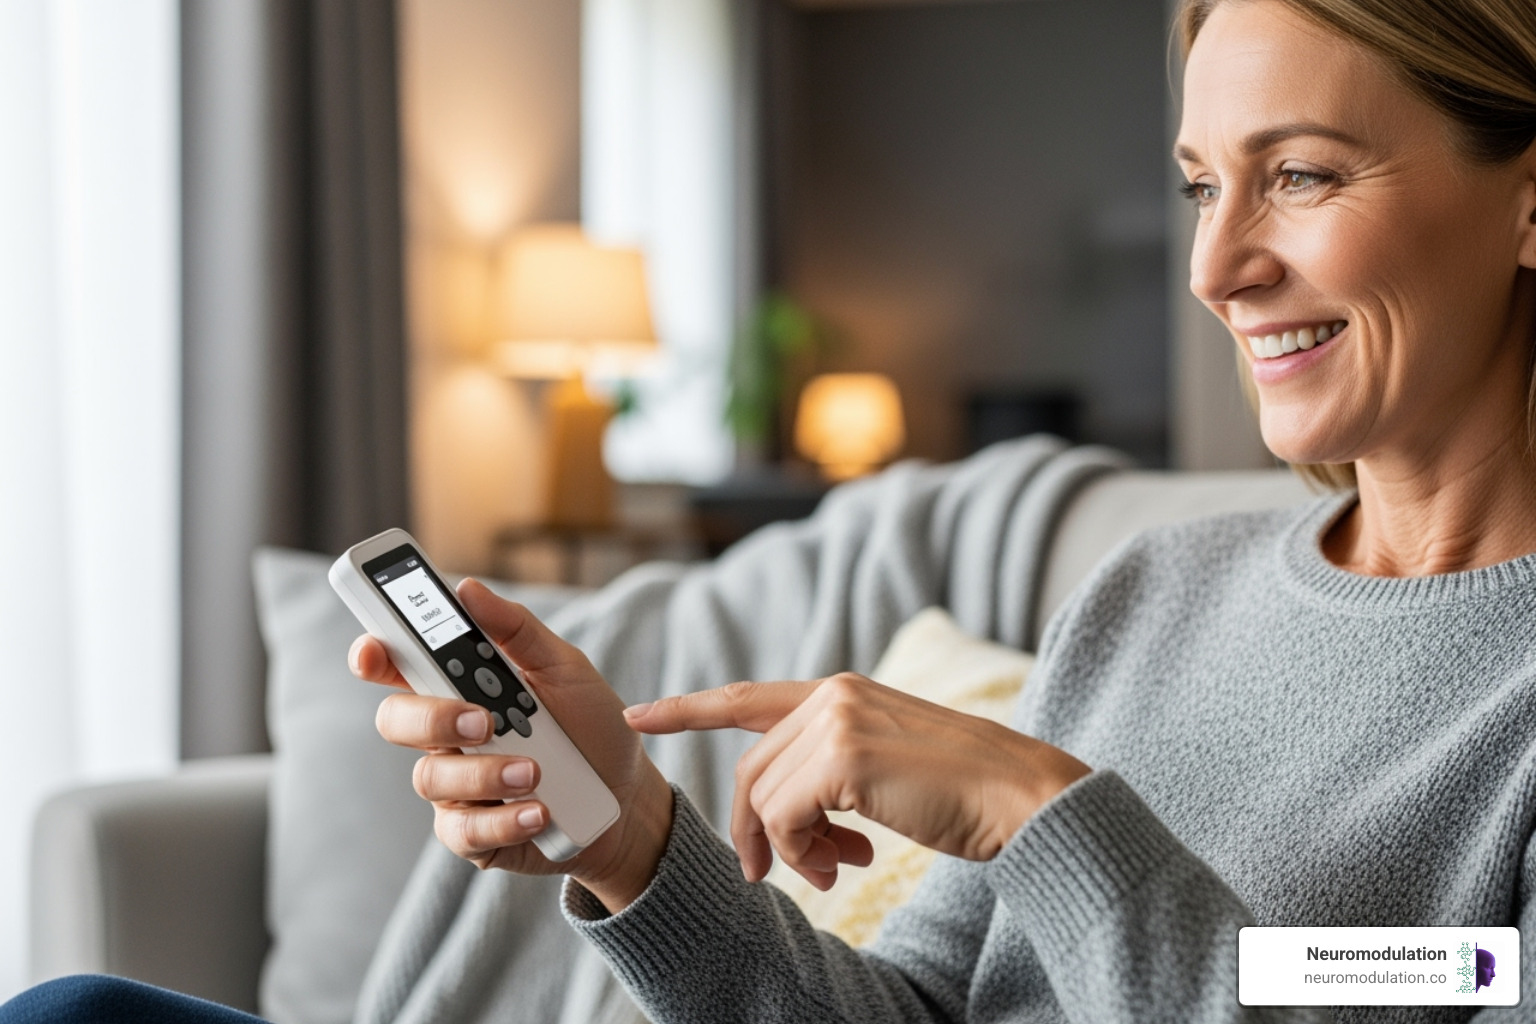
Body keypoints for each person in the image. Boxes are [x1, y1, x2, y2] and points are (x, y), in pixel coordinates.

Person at [4, 0, 1533, 1021]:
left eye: (1307, 176)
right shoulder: (1154, 597)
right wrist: (628, 842)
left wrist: (1039, 813)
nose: (1216, 267)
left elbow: (1441, 982)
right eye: (1206, 184)